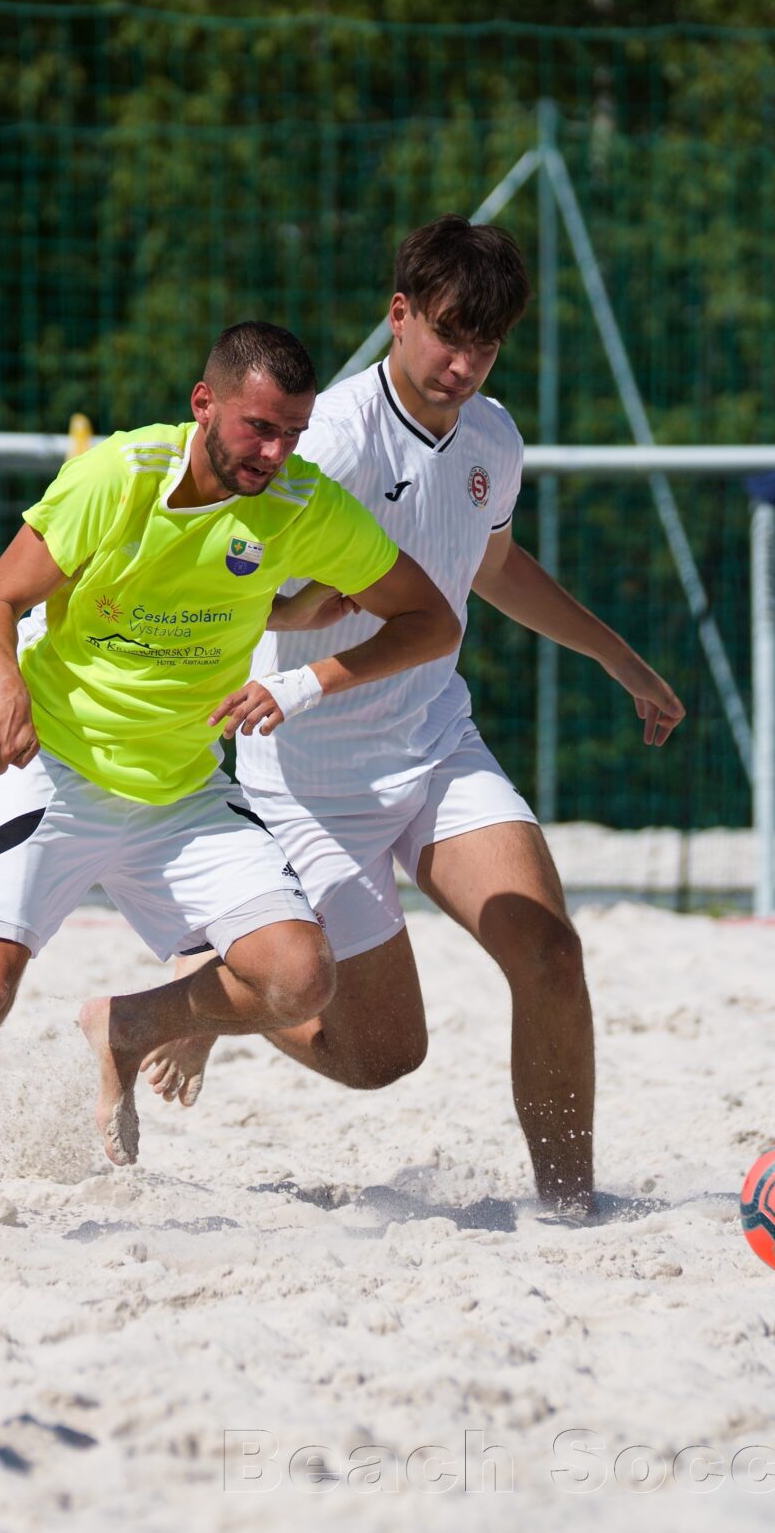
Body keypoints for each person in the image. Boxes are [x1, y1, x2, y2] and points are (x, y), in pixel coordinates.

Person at [0, 321, 462, 1232]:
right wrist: (8, 693)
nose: (275, 453)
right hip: (55, 762)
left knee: (299, 976)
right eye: (258, 428)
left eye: (292, 433)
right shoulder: (117, 476)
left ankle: (130, 1022)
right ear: (203, 404)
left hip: (184, 787)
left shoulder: (303, 504)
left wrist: (306, 678)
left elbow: (433, 622)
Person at [138, 218, 685, 1215]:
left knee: (549, 951)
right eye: (447, 335)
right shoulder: (325, 443)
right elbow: (215, 579)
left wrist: (620, 659)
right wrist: (281, 617)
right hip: (306, 780)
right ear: (398, 317)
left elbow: (492, 565)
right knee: (381, 1056)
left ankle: (570, 1209)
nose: (465, 363)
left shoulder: (492, 436)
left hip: (433, 744)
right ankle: (189, 1006)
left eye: (487, 345)